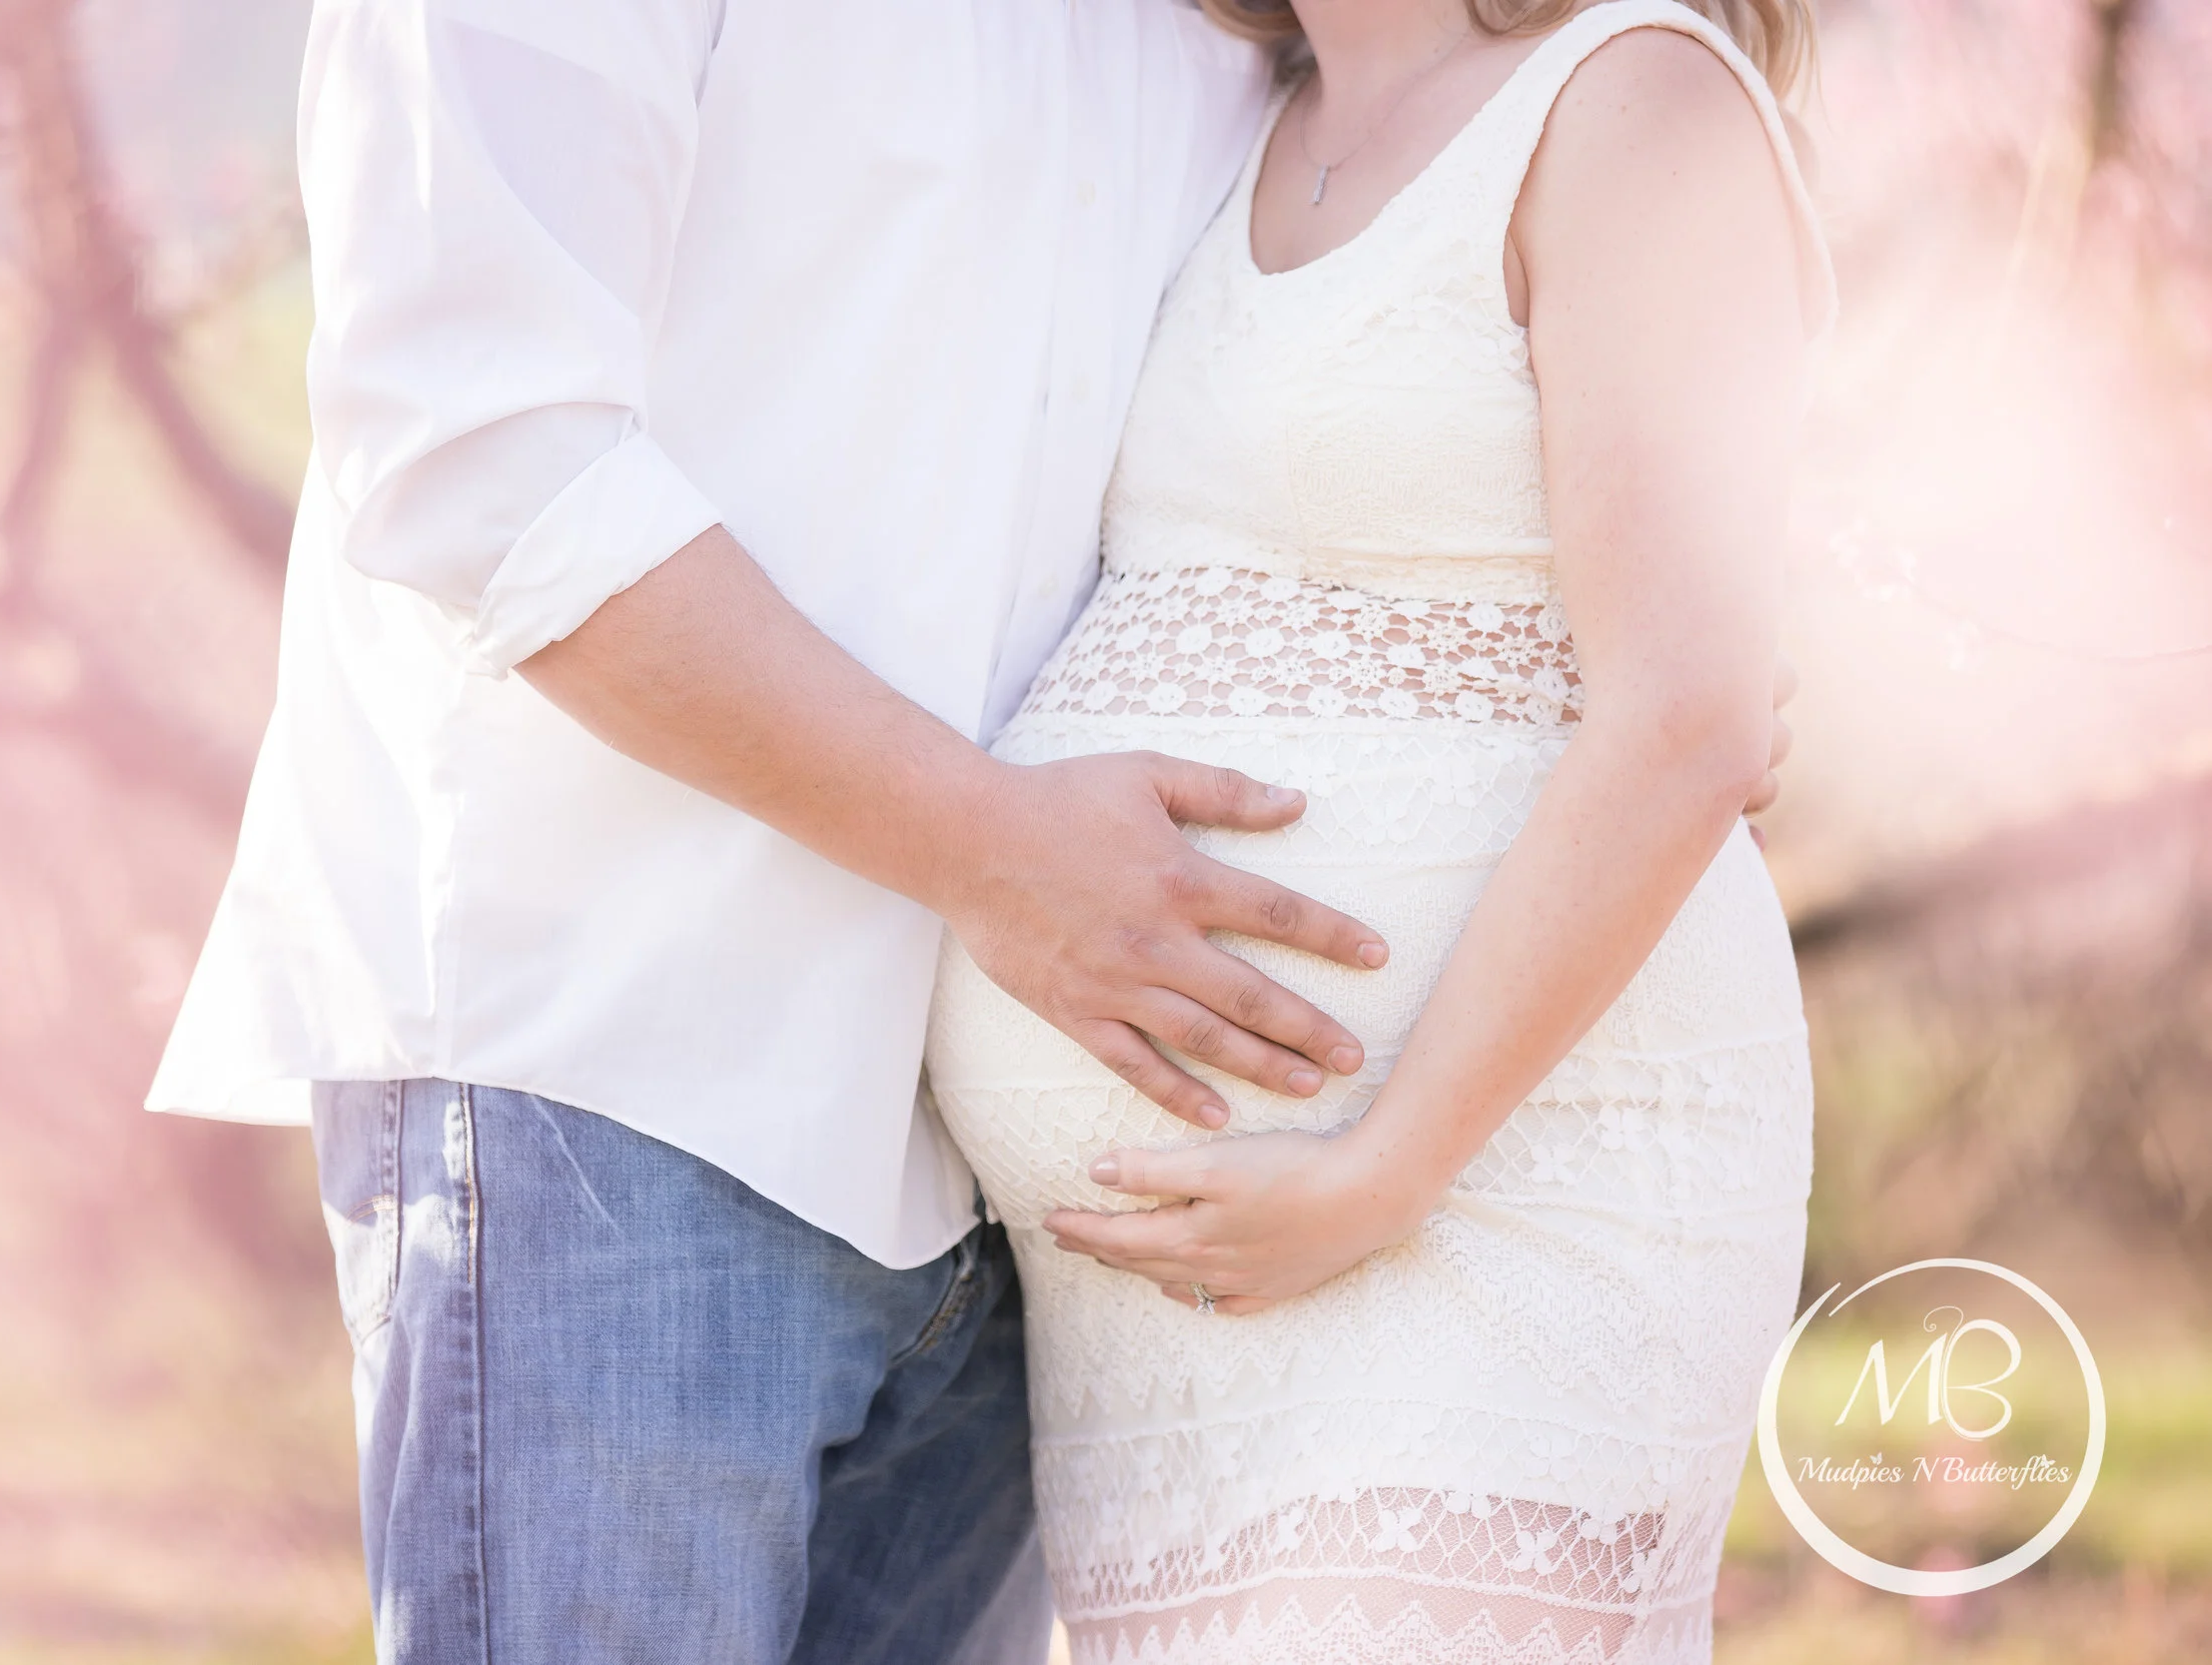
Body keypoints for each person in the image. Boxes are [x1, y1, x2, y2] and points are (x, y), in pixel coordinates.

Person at [151, 1, 1792, 1660]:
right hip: (634, 1068)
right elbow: (481, 454)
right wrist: (992, 849)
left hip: (1040, 1222)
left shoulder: (1240, 32)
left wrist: (1677, 646)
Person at [927, 1, 1829, 1661]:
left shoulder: (1631, 95)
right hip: (1160, 1322)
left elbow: (1689, 712)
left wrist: (1381, 1166)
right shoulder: (1224, 118)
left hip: (1503, 1184)